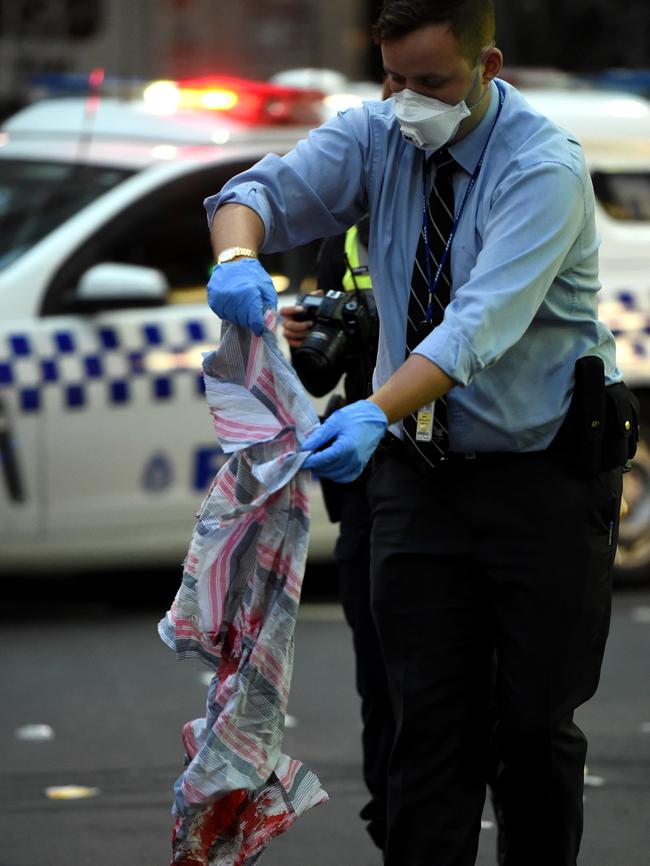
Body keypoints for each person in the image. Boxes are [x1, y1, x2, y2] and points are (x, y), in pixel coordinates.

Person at [203, 2, 638, 864]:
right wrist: (237, 257)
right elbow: (253, 194)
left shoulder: (541, 167)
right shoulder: (378, 133)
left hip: (540, 477)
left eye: (431, 82)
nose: (407, 101)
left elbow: (475, 326)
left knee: (532, 730)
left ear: (489, 66)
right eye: (393, 78)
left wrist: (373, 409)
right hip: (418, 480)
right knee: (423, 728)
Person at [281, 218, 396, 854]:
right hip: (371, 492)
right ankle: (395, 828)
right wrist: (303, 335)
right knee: (380, 684)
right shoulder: (346, 242)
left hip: (454, 477)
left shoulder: (472, 210)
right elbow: (320, 377)